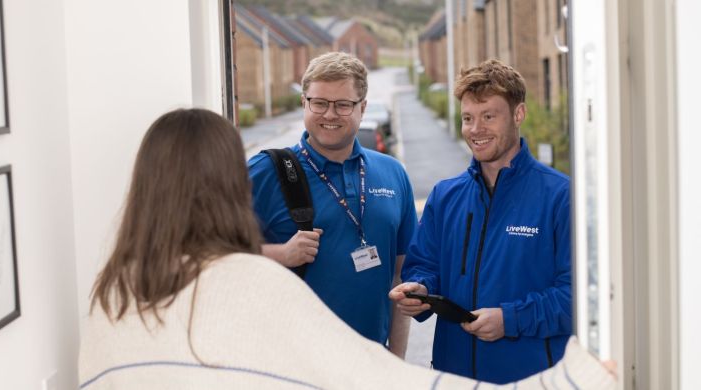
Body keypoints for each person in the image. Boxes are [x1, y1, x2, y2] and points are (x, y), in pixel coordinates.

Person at [78, 108, 614, 389]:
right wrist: (581, 378)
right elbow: (377, 381)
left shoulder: (112, 294)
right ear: (229, 182)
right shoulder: (246, 282)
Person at [389, 58, 573, 384]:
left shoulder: (559, 195)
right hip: (454, 377)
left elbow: (575, 298)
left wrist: (510, 319)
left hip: (531, 379)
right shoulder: (445, 196)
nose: (476, 130)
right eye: (468, 118)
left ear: (519, 114)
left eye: (489, 116)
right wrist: (422, 290)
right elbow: (423, 266)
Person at [247, 52, 416, 356]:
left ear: (362, 108)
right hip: (294, 366)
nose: (329, 114)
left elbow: (400, 280)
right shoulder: (266, 171)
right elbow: (209, 252)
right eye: (320, 103)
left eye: (342, 105)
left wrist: (397, 361)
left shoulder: (393, 173)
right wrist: (281, 253)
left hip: (372, 364)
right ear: (304, 103)